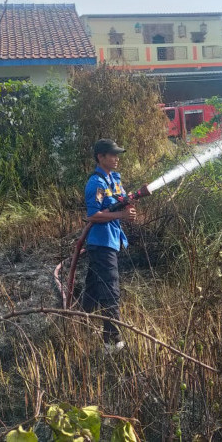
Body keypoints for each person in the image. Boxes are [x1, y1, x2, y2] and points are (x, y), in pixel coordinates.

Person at [82, 138, 136, 354]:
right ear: (100, 157)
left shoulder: (113, 179)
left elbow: (121, 199)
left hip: (111, 240)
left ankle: (78, 321)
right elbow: (93, 215)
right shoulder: (96, 183)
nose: (116, 158)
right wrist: (122, 214)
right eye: (112, 154)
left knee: (94, 288)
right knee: (110, 291)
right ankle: (112, 343)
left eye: (117, 154)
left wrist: (130, 202)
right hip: (102, 243)